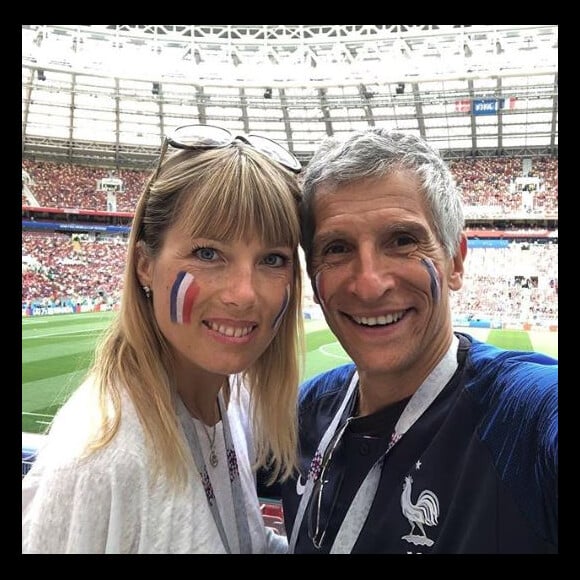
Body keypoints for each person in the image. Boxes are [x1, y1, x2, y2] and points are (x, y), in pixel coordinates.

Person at [22, 124, 305, 554]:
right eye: (208, 253)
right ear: (144, 266)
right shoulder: (101, 459)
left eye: (272, 259)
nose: (245, 293)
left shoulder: (224, 399)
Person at [279, 128, 558, 554]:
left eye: (403, 240)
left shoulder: (519, 417)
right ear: (314, 280)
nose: (369, 285)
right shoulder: (305, 412)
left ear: (456, 261)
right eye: (337, 248)